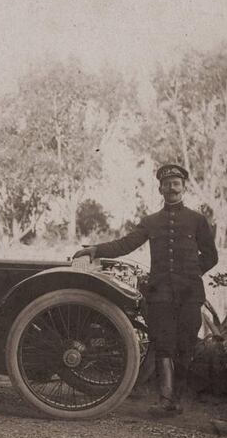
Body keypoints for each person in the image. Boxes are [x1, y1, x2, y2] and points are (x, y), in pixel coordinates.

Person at [73, 164, 218, 416]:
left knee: (185, 346)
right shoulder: (151, 221)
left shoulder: (197, 220)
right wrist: (95, 250)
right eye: (167, 184)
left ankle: (178, 400)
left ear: (183, 187)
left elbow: (211, 256)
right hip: (160, 294)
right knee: (163, 345)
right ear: (160, 188)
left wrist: (192, 275)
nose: (171, 188)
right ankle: (165, 400)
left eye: (176, 183)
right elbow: (126, 243)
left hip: (190, 294)